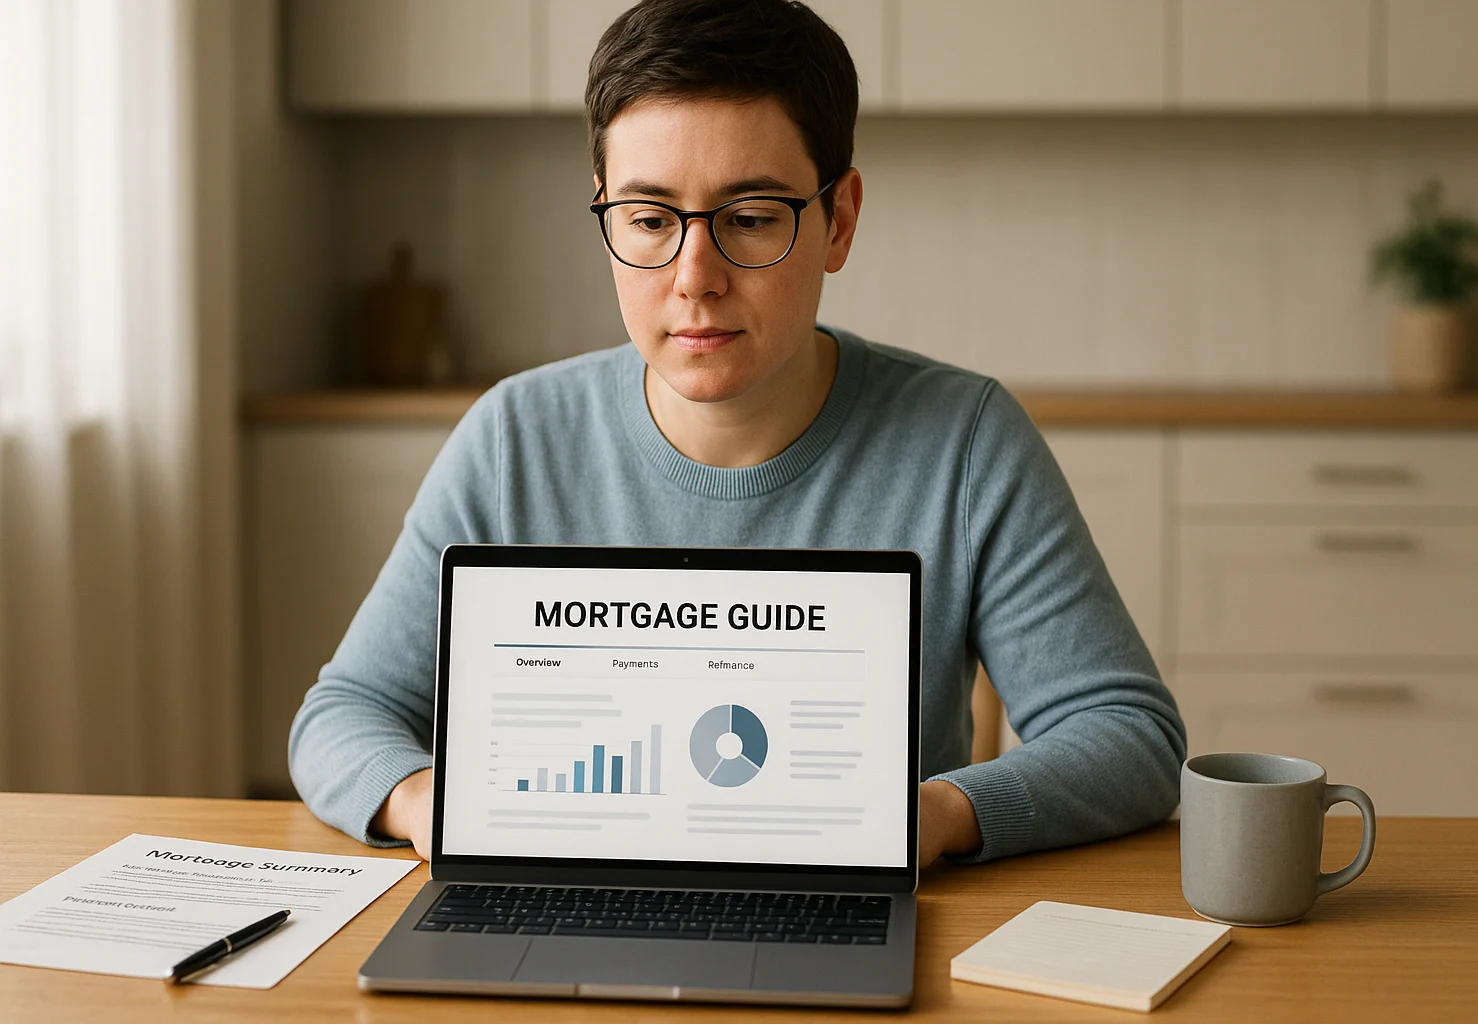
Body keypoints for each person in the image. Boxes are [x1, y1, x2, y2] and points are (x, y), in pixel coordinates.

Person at [289, 0, 1185, 868]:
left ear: (838, 220)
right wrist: (427, 804)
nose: (695, 278)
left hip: (853, 924)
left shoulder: (965, 441)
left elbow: (1130, 735)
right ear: (604, 217)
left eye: (750, 218)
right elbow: (346, 713)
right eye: (648, 220)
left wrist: (939, 813)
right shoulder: (513, 438)